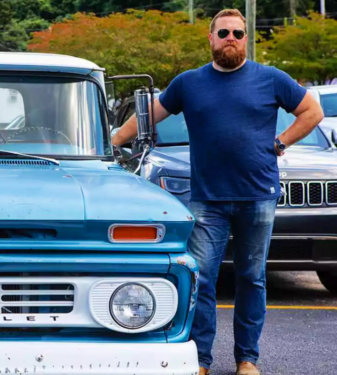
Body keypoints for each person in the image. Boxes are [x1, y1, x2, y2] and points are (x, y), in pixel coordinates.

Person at [110, 9, 323, 375]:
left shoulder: (271, 79)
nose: (231, 38)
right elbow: (148, 116)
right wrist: (109, 143)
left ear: (245, 39)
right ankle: (200, 360)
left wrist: (281, 141)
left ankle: (247, 360)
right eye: (223, 32)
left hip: (258, 196)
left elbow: (312, 111)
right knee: (202, 279)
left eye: (238, 33)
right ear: (210, 38)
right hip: (208, 199)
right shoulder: (188, 83)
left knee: (251, 278)